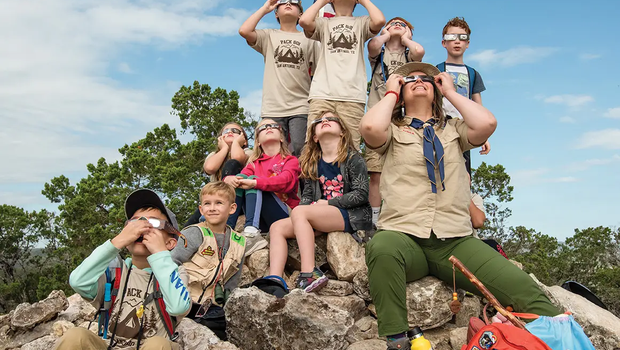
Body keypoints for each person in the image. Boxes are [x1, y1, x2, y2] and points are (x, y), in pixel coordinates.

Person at [359, 62, 562, 350]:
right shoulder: (390, 130)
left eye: (426, 78)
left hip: (455, 241)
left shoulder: (455, 130)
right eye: (410, 80)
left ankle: (564, 337)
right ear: (401, 93)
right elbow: (369, 127)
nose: (419, 81)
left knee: (524, 290)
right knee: (381, 247)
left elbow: (487, 124)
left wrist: (451, 92)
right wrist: (391, 90)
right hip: (404, 237)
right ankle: (397, 339)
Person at [54, 189, 191, 350]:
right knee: (75, 336)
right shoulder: (114, 271)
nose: (143, 228)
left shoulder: (175, 274)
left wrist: (160, 254)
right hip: (109, 345)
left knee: (157, 345)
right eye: (136, 223)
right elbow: (78, 281)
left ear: (170, 243)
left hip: (152, 346)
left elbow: (179, 307)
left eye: (153, 223)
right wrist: (117, 241)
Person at [268, 112, 371, 292]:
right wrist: (304, 213)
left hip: (350, 214)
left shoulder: (354, 159)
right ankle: (275, 279)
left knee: (300, 212)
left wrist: (329, 204)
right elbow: (307, 196)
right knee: (277, 227)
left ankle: (309, 273)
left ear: (342, 132)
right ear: (314, 137)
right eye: (319, 121)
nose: (325, 121)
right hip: (321, 216)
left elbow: (361, 194)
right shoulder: (312, 163)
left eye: (331, 119)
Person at [299, 0, 385, 152]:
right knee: (313, 147)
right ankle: (312, 177)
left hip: (352, 95)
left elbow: (379, 21)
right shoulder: (323, 23)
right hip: (322, 93)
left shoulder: (361, 22)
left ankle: (346, 177)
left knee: (350, 148)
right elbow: (304, 21)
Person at [239, 0, 317, 157]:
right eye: (283, 2)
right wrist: (264, 8)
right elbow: (244, 31)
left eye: (293, 2)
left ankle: (302, 182)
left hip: (300, 105)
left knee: (300, 148)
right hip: (273, 106)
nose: (288, 3)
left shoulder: (309, 39)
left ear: (301, 13)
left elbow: (317, 70)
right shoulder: (269, 36)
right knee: (272, 151)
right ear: (276, 12)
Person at [366, 16, 424, 226]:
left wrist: (406, 39)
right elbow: (371, 46)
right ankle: (374, 217)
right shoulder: (380, 51)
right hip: (376, 117)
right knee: (375, 172)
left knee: (402, 168)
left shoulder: (410, 56)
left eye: (404, 24)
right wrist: (387, 34)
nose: (398, 25)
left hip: (401, 119)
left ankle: (401, 213)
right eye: (393, 23)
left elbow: (420, 52)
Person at [171, 182, 245, 340]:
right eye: (207, 203)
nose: (212, 208)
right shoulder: (194, 233)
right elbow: (172, 263)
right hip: (185, 301)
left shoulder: (239, 242)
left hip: (212, 307)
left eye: (219, 203)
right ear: (201, 209)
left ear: (232, 208)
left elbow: (233, 283)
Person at [224, 118, 301, 256]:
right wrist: (228, 179)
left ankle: (252, 234)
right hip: (260, 217)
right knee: (241, 181)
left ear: (282, 138)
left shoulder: (290, 160)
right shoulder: (253, 164)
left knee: (254, 180)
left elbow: (286, 181)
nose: (268, 128)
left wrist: (256, 183)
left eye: (273, 126)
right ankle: (225, 231)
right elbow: (240, 178)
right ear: (258, 141)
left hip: (283, 215)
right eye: (263, 127)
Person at [437, 17, 490, 174]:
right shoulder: (436, 70)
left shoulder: (473, 74)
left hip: (464, 127)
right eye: (451, 37)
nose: (457, 41)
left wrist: (484, 136)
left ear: (467, 44)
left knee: (463, 172)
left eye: (462, 37)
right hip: (442, 126)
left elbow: (478, 106)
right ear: (443, 43)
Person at [185, 122, 252, 227]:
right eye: (226, 131)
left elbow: (237, 159)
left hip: (238, 200)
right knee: (190, 224)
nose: (230, 132)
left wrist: (236, 144)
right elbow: (210, 168)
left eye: (235, 131)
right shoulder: (214, 155)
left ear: (244, 140)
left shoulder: (248, 153)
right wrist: (224, 149)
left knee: (232, 164)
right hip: (214, 201)